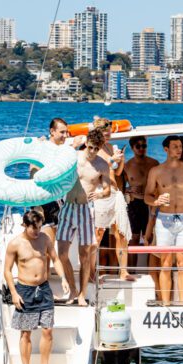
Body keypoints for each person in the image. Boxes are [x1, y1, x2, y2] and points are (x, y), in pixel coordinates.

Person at [4, 209, 70, 364]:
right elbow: (7, 271)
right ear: (25, 225)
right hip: (25, 291)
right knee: (25, 334)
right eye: (34, 229)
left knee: (48, 331)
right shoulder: (15, 244)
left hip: (44, 289)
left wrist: (63, 278)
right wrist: (13, 293)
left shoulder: (44, 239)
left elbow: (55, 259)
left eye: (40, 228)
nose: (37, 232)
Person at [145, 135, 183, 305]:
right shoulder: (156, 171)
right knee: (165, 263)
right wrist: (155, 201)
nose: (179, 150)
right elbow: (147, 196)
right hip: (164, 220)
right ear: (166, 149)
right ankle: (166, 304)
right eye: (175, 147)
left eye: (180, 146)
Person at [56, 128, 110, 306]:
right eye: (91, 147)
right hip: (68, 207)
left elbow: (108, 188)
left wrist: (101, 194)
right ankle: (72, 288)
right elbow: (55, 161)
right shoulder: (74, 158)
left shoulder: (102, 165)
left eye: (97, 148)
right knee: (62, 253)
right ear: (86, 143)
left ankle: (81, 294)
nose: (93, 151)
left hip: (86, 209)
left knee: (84, 256)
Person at [91, 118, 135, 281]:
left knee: (121, 232)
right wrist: (112, 161)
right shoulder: (92, 148)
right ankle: (91, 272)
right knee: (98, 234)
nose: (108, 135)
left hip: (116, 192)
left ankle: (123, 271)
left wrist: (120, 160)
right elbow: (94, 169)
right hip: (100, 192)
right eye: (105, 132)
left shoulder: (110, 147)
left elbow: (117, 173)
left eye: (109, 131)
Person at [123, 136, 159, 264]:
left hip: (151, 204)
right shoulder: (127, 166)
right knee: (134, 238)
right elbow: (119, 187)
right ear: (132, 148)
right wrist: (128, 189)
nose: (141, 149)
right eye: (138, 146)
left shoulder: (154, 163)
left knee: (150, 238)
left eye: (144, 146)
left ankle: (151, 270)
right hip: (135, 204)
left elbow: (161, 183)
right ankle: (132, 270)